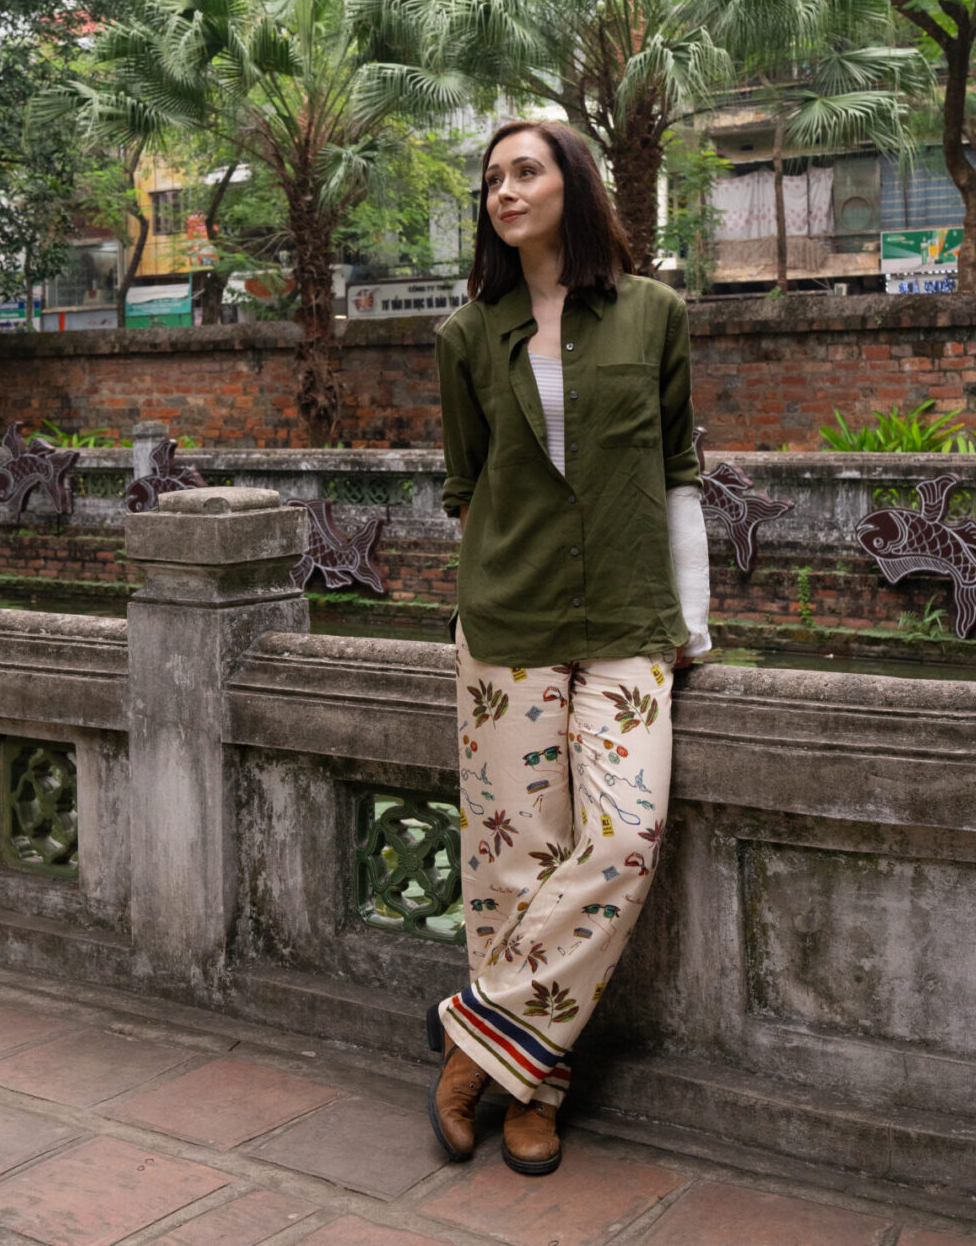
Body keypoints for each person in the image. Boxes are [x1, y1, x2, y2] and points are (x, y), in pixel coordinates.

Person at [428, 119, 711, 1176]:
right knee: (515, 867)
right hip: (508, 625)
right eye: (492, 177)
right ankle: (533, 1091)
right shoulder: (467, 334)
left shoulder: (653, 316)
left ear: (572, 185)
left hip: (632, 622)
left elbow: (680, 466)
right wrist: (473, 605)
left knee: (625, 837)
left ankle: (474, 1041)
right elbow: (468, 489)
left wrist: (695, 617)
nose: (505, 189)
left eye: (526, 170)